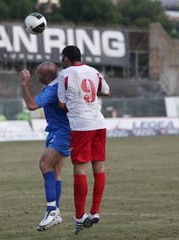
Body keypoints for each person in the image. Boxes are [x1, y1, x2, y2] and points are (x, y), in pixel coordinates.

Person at [57, 45, 110, 234]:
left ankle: (79, 216)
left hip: (81, 125)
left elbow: (62, 104)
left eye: (62, 57)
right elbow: (106, 90)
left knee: (80, 167)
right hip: (99, 123)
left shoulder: (65, 74)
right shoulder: (93, 71)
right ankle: (94, 211)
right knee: (99, 167)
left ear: (66, 59)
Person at [20, 62, 70, 231]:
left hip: (62, 133)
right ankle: (55, 212)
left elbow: (32, 106)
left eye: (39, 73)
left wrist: (25, 84)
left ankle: (51, 210)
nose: (36, 74)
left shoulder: (51, 89)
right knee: (55, 173)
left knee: (44, 164)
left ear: (47, 77)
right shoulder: (56, 85)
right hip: (57, 132)